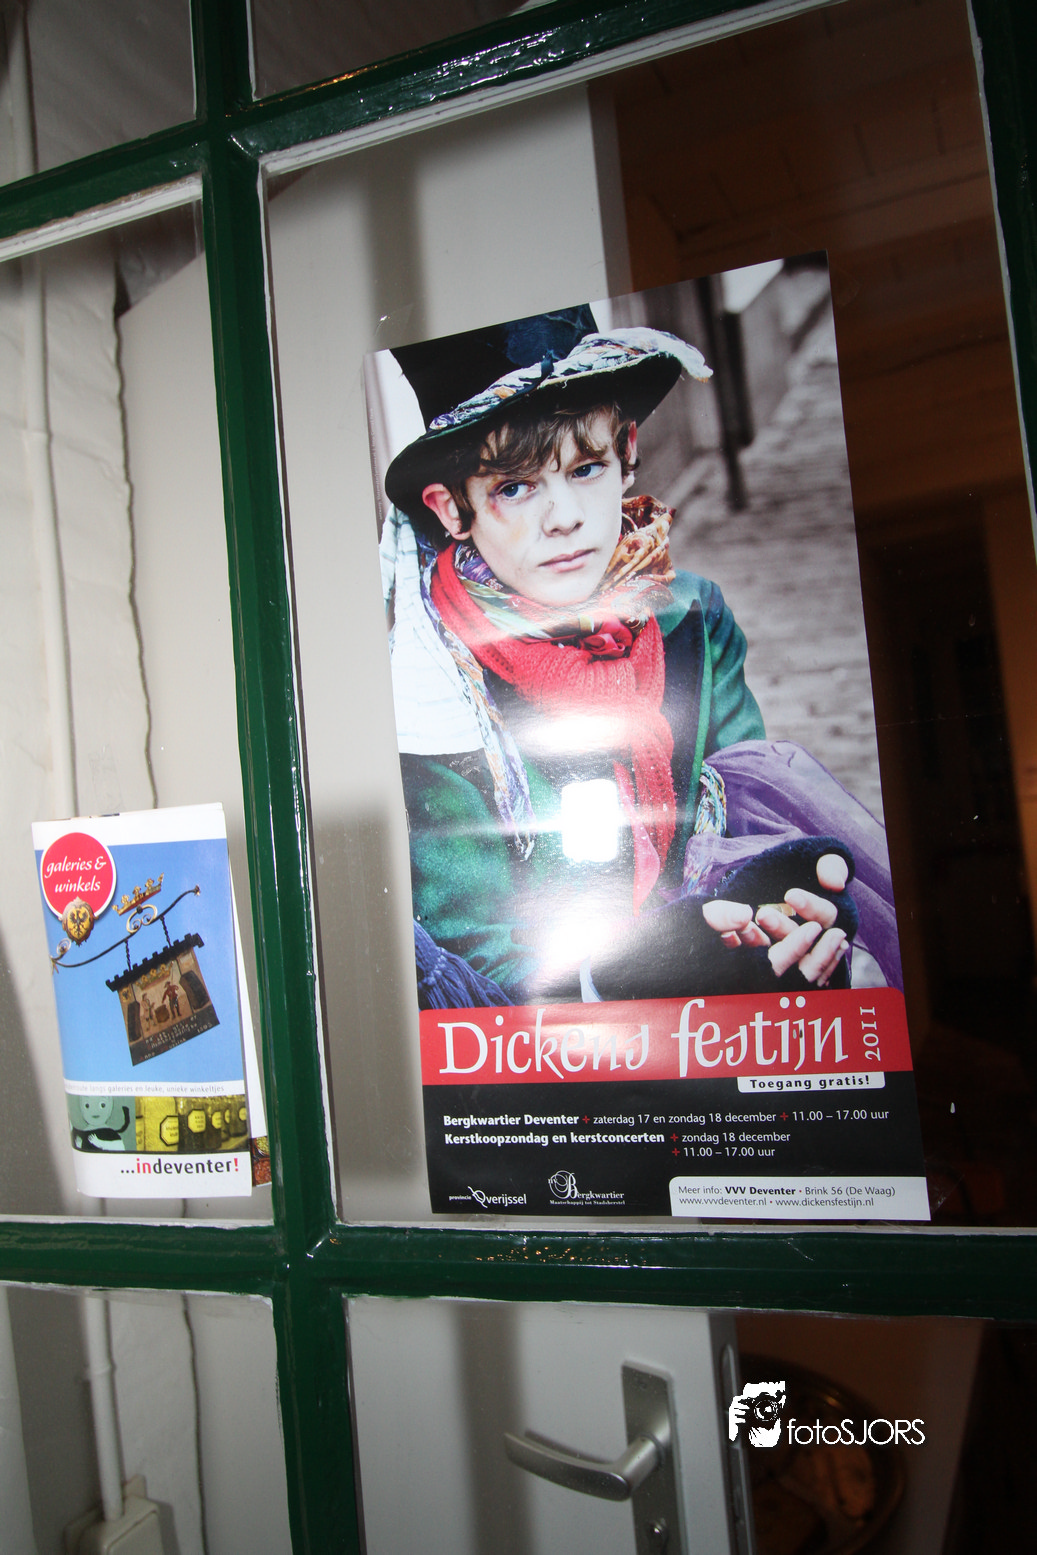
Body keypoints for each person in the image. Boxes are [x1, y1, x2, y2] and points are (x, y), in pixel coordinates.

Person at [377, 304, 899, 1007]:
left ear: (626, 453)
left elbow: (733, 807)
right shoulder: (430, 693)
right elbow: (473, 943)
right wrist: (639, 972)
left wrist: (770, 906)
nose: (564, 517)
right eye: (515, 487)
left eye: (585, 468)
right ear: (451, 507)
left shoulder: (692, 616)